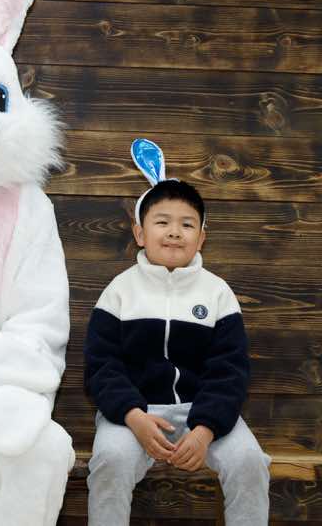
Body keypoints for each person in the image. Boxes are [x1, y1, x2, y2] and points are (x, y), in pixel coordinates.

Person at [83, 139, 271, 525]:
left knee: (250, 461)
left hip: (205, 414)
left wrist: (205, 430)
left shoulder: (217, 294)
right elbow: (102, 366)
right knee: (110, 460)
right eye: (162, 222)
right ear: (140, 233)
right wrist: (133, 416)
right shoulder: (119, 291)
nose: (174, 232)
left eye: (187, 224)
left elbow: (230, 371)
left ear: (201, 237)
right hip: (133, 414)